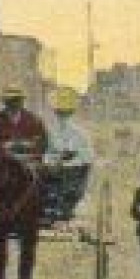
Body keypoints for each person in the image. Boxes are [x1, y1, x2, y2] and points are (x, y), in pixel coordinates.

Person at [0, 87, 49, 279]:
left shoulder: (33, 121)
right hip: (4, 167)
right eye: (10, 101)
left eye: (17, 101)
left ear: (22, 101)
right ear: (5, 102)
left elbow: (42, 142)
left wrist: (28, 148)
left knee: (38, 183)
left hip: (28, 165)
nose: (13, 105)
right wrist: (5, 149)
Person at [42, 90, 93, 221]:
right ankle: (47, 210)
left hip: (73, 174)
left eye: (65, 113)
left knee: (66, 184)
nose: (62, 117)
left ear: (71, 113)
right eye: (59, 113)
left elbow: (86, 158)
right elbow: (45, 152)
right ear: (55, 113)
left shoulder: (80, 134)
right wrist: (51, 162)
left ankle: (64, 210)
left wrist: (67, 163)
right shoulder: (50, 132)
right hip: (54, 171)